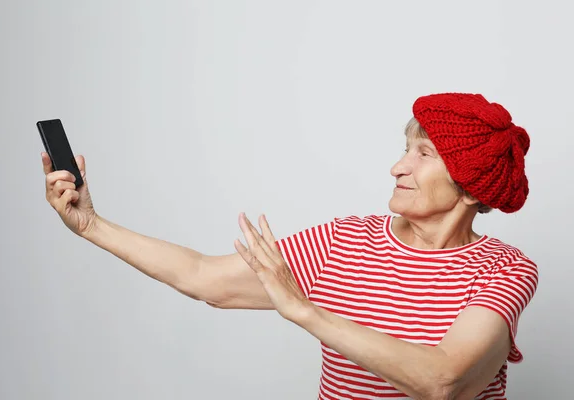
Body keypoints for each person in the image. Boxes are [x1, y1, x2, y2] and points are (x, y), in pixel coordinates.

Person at [41, 92, 538, 400]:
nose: (397, 167)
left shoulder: (505, 270)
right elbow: (203, 278)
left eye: (423, 154)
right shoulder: (346, 239)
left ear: (471, 188)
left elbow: (443, 383)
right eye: (404, 148)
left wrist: (305, 312)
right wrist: (92, 226)